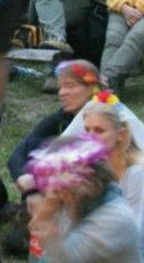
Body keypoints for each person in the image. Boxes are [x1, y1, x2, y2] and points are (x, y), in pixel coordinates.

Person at [65, 93, 144, 247]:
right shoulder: (96, 163)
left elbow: (135, 235)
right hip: (119, 240)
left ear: (121, 135)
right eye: (87, 130)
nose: (90, 137)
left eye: (99, 131)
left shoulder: (140, 172)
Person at [25, 134, 144, 263]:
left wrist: (44, 220)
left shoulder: (114, 218)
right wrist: (42, 217)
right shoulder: (69, 204)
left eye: (64, 188)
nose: (58, 194)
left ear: (91, 182)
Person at [8, 60, 101, 200]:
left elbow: (93, 167)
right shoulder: (63, 116)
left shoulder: (103, 120)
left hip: (92, 187)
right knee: (37, 146)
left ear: (92, 88)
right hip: (62, 185)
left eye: (70, 86)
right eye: (60, 87)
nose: (62, 93)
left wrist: (39, 178)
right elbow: (21, 151)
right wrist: (22, 175)